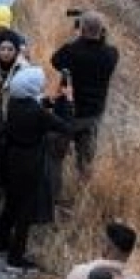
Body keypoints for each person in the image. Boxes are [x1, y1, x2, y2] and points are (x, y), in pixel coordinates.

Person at [0, 67, 73, 271]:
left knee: (11, 203)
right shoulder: (37, 113)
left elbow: (37, 105)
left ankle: (0, 242)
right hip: (30, 162)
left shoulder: (15, 103)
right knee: (25, 212)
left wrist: (50, 101)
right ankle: (16, 256)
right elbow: (66, 127)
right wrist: (69, 101)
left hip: (12, 158)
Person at [51, 11, 120, 180]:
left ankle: (53, 193)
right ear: (102, 31)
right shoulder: (111, 54)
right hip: (92, 114)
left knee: (55, 157)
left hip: (68, 112)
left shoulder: (72, 50)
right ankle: (82, 194)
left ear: (81, 29)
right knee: (86, 159)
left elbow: (55, 61)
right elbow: (104, 45)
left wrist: (77, 38)